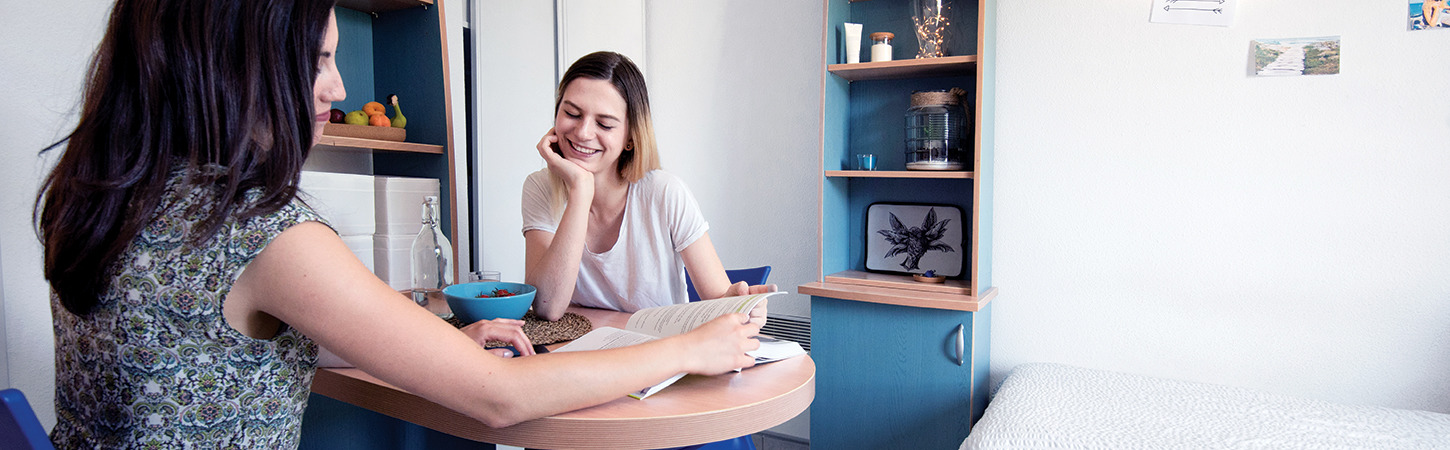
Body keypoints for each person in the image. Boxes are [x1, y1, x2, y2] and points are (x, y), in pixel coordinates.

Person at [35, 1, 762, 447]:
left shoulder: (96, 194)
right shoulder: (261, 232)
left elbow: (212, 349)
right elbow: (501, 395)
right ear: (235, 65)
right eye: (318, 59)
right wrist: (686, 351)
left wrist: (441, 337)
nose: (340, 87)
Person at [522, 51, 776, 323]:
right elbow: (547, 307)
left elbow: (721, 302)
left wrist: (742, 305)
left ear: (630, 136)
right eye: (572, 113)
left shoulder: (665, 193)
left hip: (658, 355)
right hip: (582, 356)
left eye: (604, 124)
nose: (583, 132)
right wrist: (581, 192)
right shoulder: (540, 187)